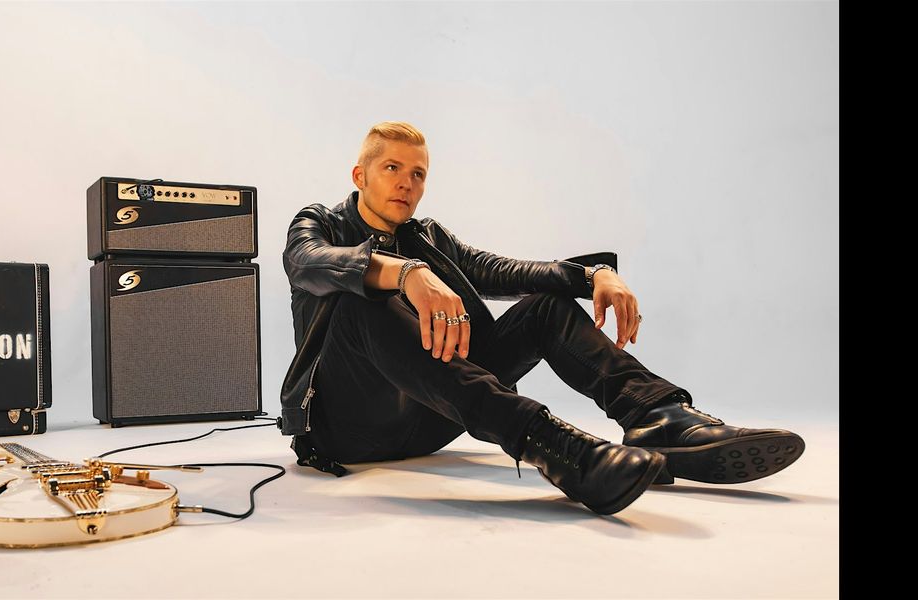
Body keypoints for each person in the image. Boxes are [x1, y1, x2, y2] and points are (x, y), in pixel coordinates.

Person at [277, 121, 805, 515]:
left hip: (429, 420)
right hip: (346, 428)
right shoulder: (318, 223)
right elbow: (307, 262)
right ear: (360, 175)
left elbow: (501, 270)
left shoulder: (429, 236)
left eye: (418, 174)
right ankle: (558, 449)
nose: (407, 183)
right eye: (392, 168)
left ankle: (658, 418)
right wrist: (403, 272)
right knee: (359, 300)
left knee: (545, 308)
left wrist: (592, 275)